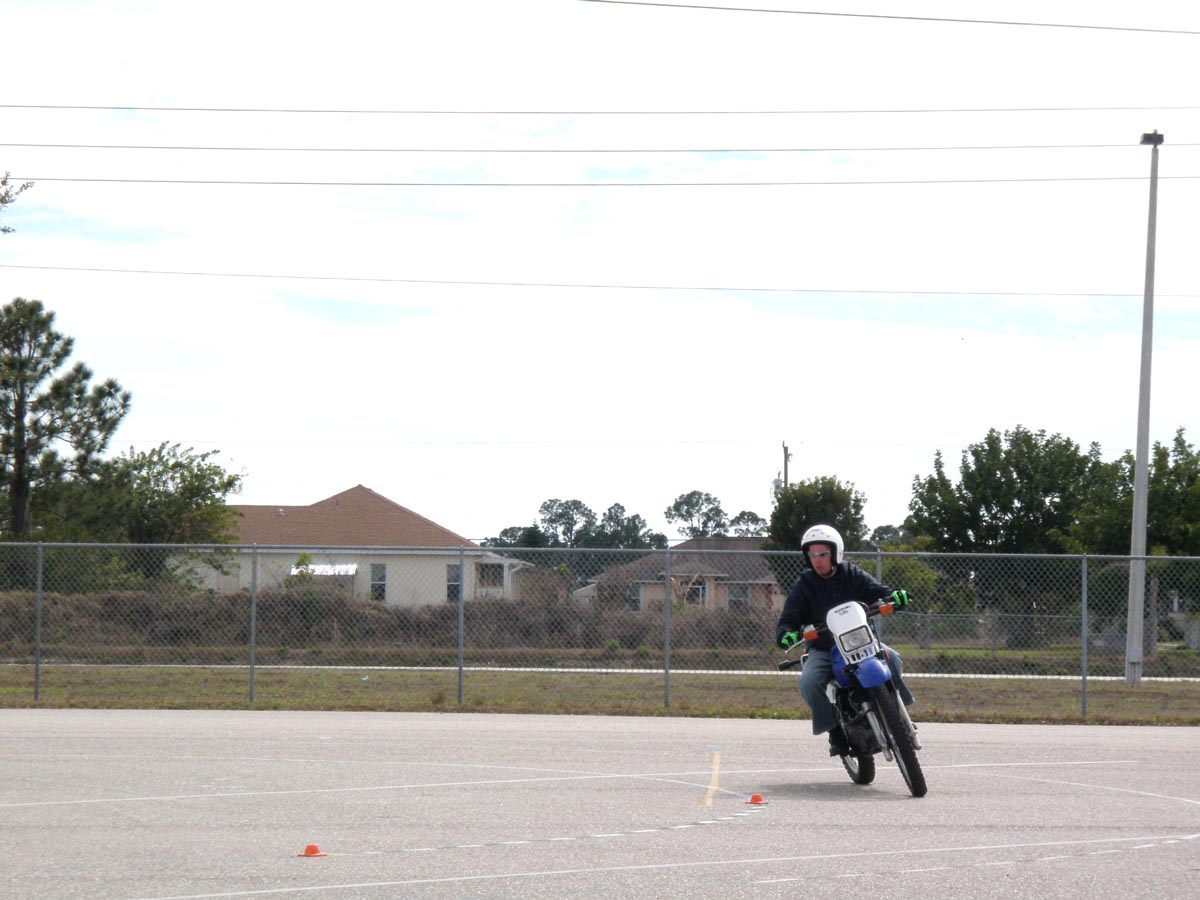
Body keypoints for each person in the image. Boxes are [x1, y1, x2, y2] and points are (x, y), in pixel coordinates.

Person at [774, 523, 916, 757]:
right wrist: (786, 633)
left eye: (822, 553)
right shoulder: (804, 585)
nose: (817, 560)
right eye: (812, 554)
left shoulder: (852, 574)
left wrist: (893, 595)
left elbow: (877, 590)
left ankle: (896, 712)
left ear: (835, 552)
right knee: (808, 682)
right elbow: (789, 618)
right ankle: (835, 731)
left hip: (861, 640)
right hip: (824, 648)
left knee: (893, 659)